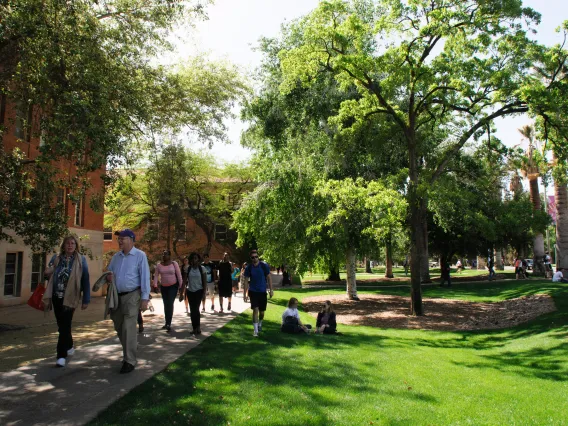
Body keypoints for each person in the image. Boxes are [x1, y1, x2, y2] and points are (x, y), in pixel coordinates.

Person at [106, 229, 151, 374]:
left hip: (132, 296)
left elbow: (145, 277)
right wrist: (108, 277)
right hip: (116, 297)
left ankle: (129, 360)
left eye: (122, 239)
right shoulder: (116, 257)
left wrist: (145, 298)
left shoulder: (140, 256)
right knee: (119, 327)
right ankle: (129, 349)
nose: (119, 241)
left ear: (131, 240)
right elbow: (109, 272)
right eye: (119, 239)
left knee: (128, 328)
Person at [42, 235, 90, 368]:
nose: (70, 245)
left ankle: (61, 356)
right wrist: (47, 273)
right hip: (57, 296)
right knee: (62, 325)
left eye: (73, 243)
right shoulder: (56, 258)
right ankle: (69, 345)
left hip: (71, 297)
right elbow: (47, 276)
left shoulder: (81, 260)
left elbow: (85, 279)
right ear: (63, 245)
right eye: (68, 243)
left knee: (64, 325)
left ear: (76, 246)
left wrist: (86, 299)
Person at [244, 249, 273, 337]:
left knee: (262, 312)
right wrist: (244, 294)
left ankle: (260, 323)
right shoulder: (248, 268)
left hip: (262, 291)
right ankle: (255, 331)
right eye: (253, 257)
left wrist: (271, 290)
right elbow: (245, 281)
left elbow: (269, 278)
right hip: (253, 292)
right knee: (255, 310)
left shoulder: (264, 265)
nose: (255, 258)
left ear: (258, 257)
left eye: (256, 257)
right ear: (251, 258)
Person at [152, 250, 183, 332]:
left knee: (170, 303)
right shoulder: (159, 265)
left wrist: (181, 287)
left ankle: (169, 323)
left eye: (165, 254)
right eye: (163, 254)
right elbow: (156, 276)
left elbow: (179, 275)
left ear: (169, 256)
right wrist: (155, 285)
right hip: (164, 287)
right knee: (166, 304)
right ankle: (166, 322)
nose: (164, 256)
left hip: (173, 286)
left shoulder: (174, 264)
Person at [182, 252, 207, 334]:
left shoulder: (202, 268)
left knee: (196, 309)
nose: (194, 260)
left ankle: (198, 327)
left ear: (198, 259)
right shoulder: (188, 269)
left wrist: (204, 293)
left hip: (199, 291)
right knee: (192, 310)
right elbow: (184, 281)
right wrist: (182, 293)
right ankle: (194, 328)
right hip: (190, 291)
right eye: (192, 258)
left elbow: (204, 282)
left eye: (195, 258)